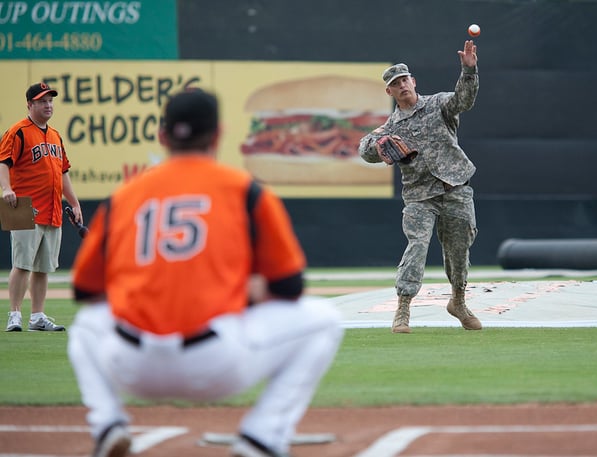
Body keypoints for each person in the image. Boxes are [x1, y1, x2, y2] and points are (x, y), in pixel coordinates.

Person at [67, 88, 343, 457]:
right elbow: (290, 286)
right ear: (218, 135)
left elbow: (84, 290)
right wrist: (243, 291)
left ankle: (107, 424)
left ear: (162, 136)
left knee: (86, 324)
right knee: (324, 320)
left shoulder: (124, 196)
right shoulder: (245, 190)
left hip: (132, 363)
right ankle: (261, 438)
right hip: (214, 363)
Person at [358, 40, 482, 334]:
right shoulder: (391, 127)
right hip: (419, 197)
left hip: (454, 187)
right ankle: (402, 309)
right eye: (395, 84)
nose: (402, 86)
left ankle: (458, 301)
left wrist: (468, 71)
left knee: (459, 249)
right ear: (389, 92)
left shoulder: (438, 104)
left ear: (413, 82)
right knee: (417, 246)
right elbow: (365, 149)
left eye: (404, 80)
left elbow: (464, 100)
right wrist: (379, 147)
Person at [0, 82, 83, 332]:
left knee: (43, 268)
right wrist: (6, 188)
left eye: (50, 100)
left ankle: (37, 316)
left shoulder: (56, 135)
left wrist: (75, 202)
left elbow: (63, 172)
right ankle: (14, 314)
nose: (48, 105)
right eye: (42, 101)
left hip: (52, 208)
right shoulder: (19, 131)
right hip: (23, 205)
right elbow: (3, 162)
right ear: (30, 104)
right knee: (23, 264)